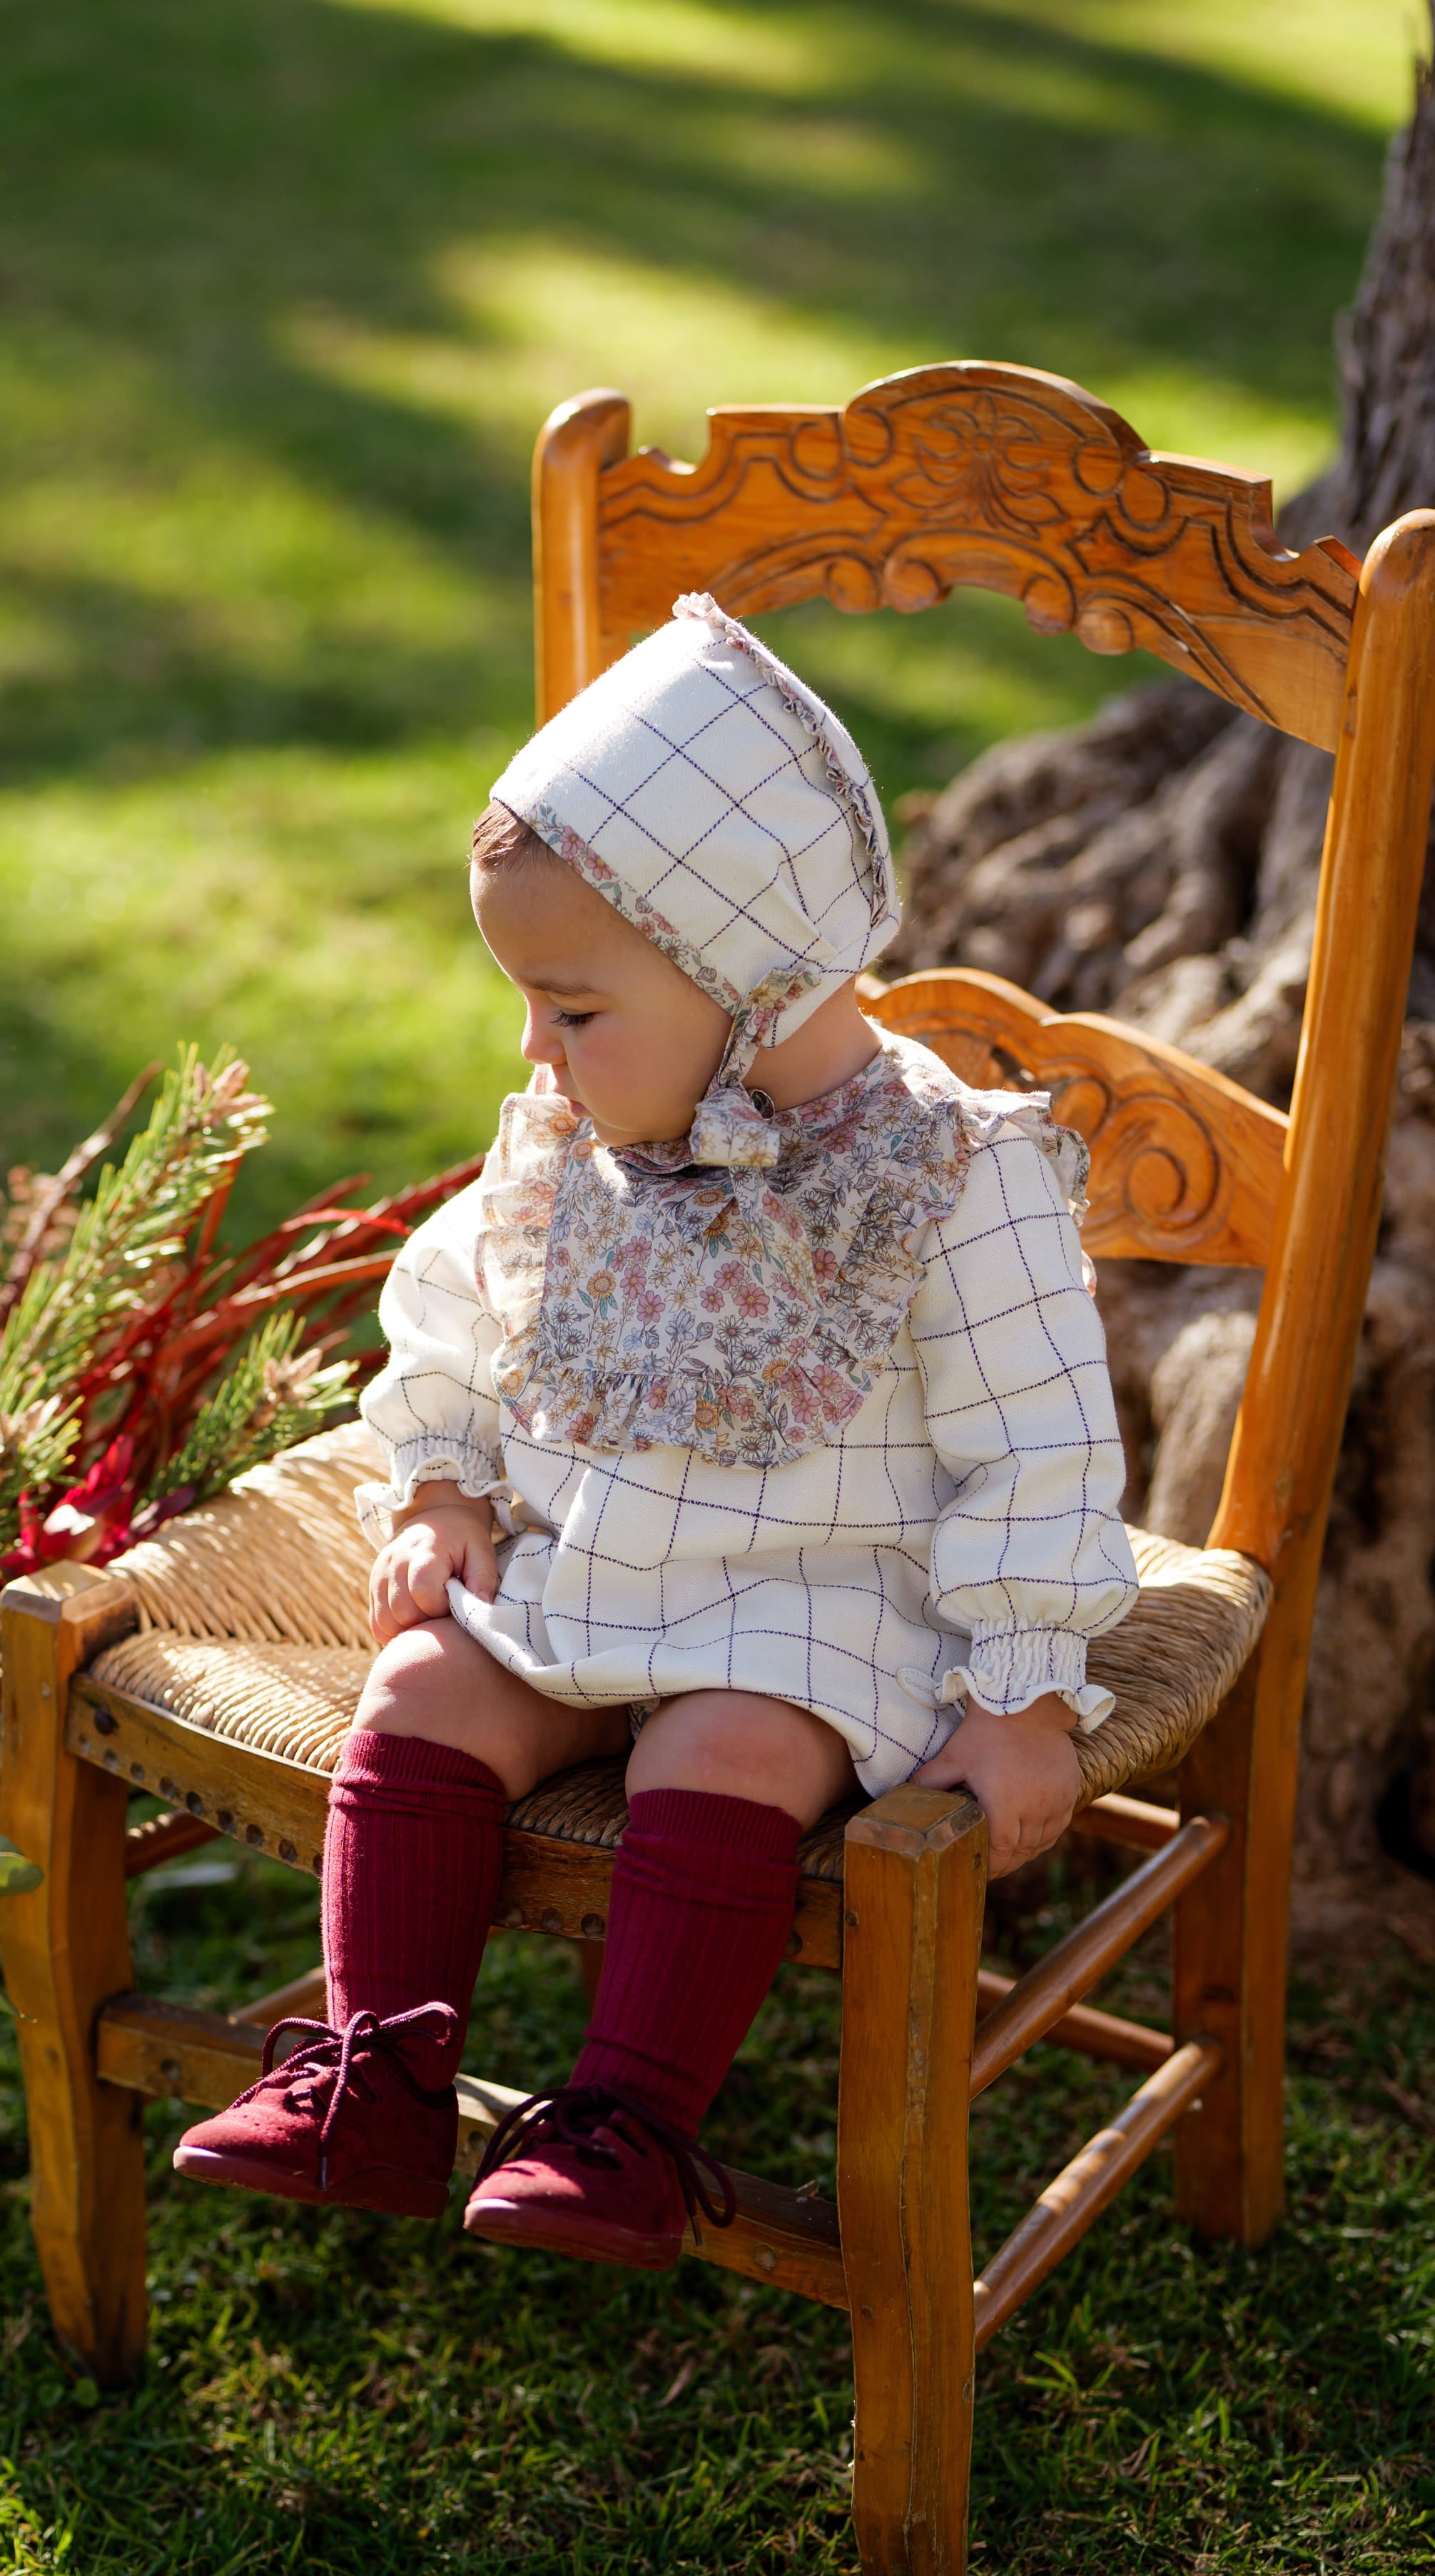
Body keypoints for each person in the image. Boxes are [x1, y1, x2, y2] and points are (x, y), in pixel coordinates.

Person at [174, 593, 1137, 2268]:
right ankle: (376, 2075)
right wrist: (446, 1477)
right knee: (419, 1683)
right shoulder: (571, 1137)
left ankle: (623, 2124)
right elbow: (465, 1307)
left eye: (571, 1005)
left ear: (742, 976)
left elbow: (1036, 1441)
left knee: (729, 1751)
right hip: (575, 1572)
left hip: (803, 1605)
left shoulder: (945, 1175)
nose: (533, 1047)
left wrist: (1024, 1690)